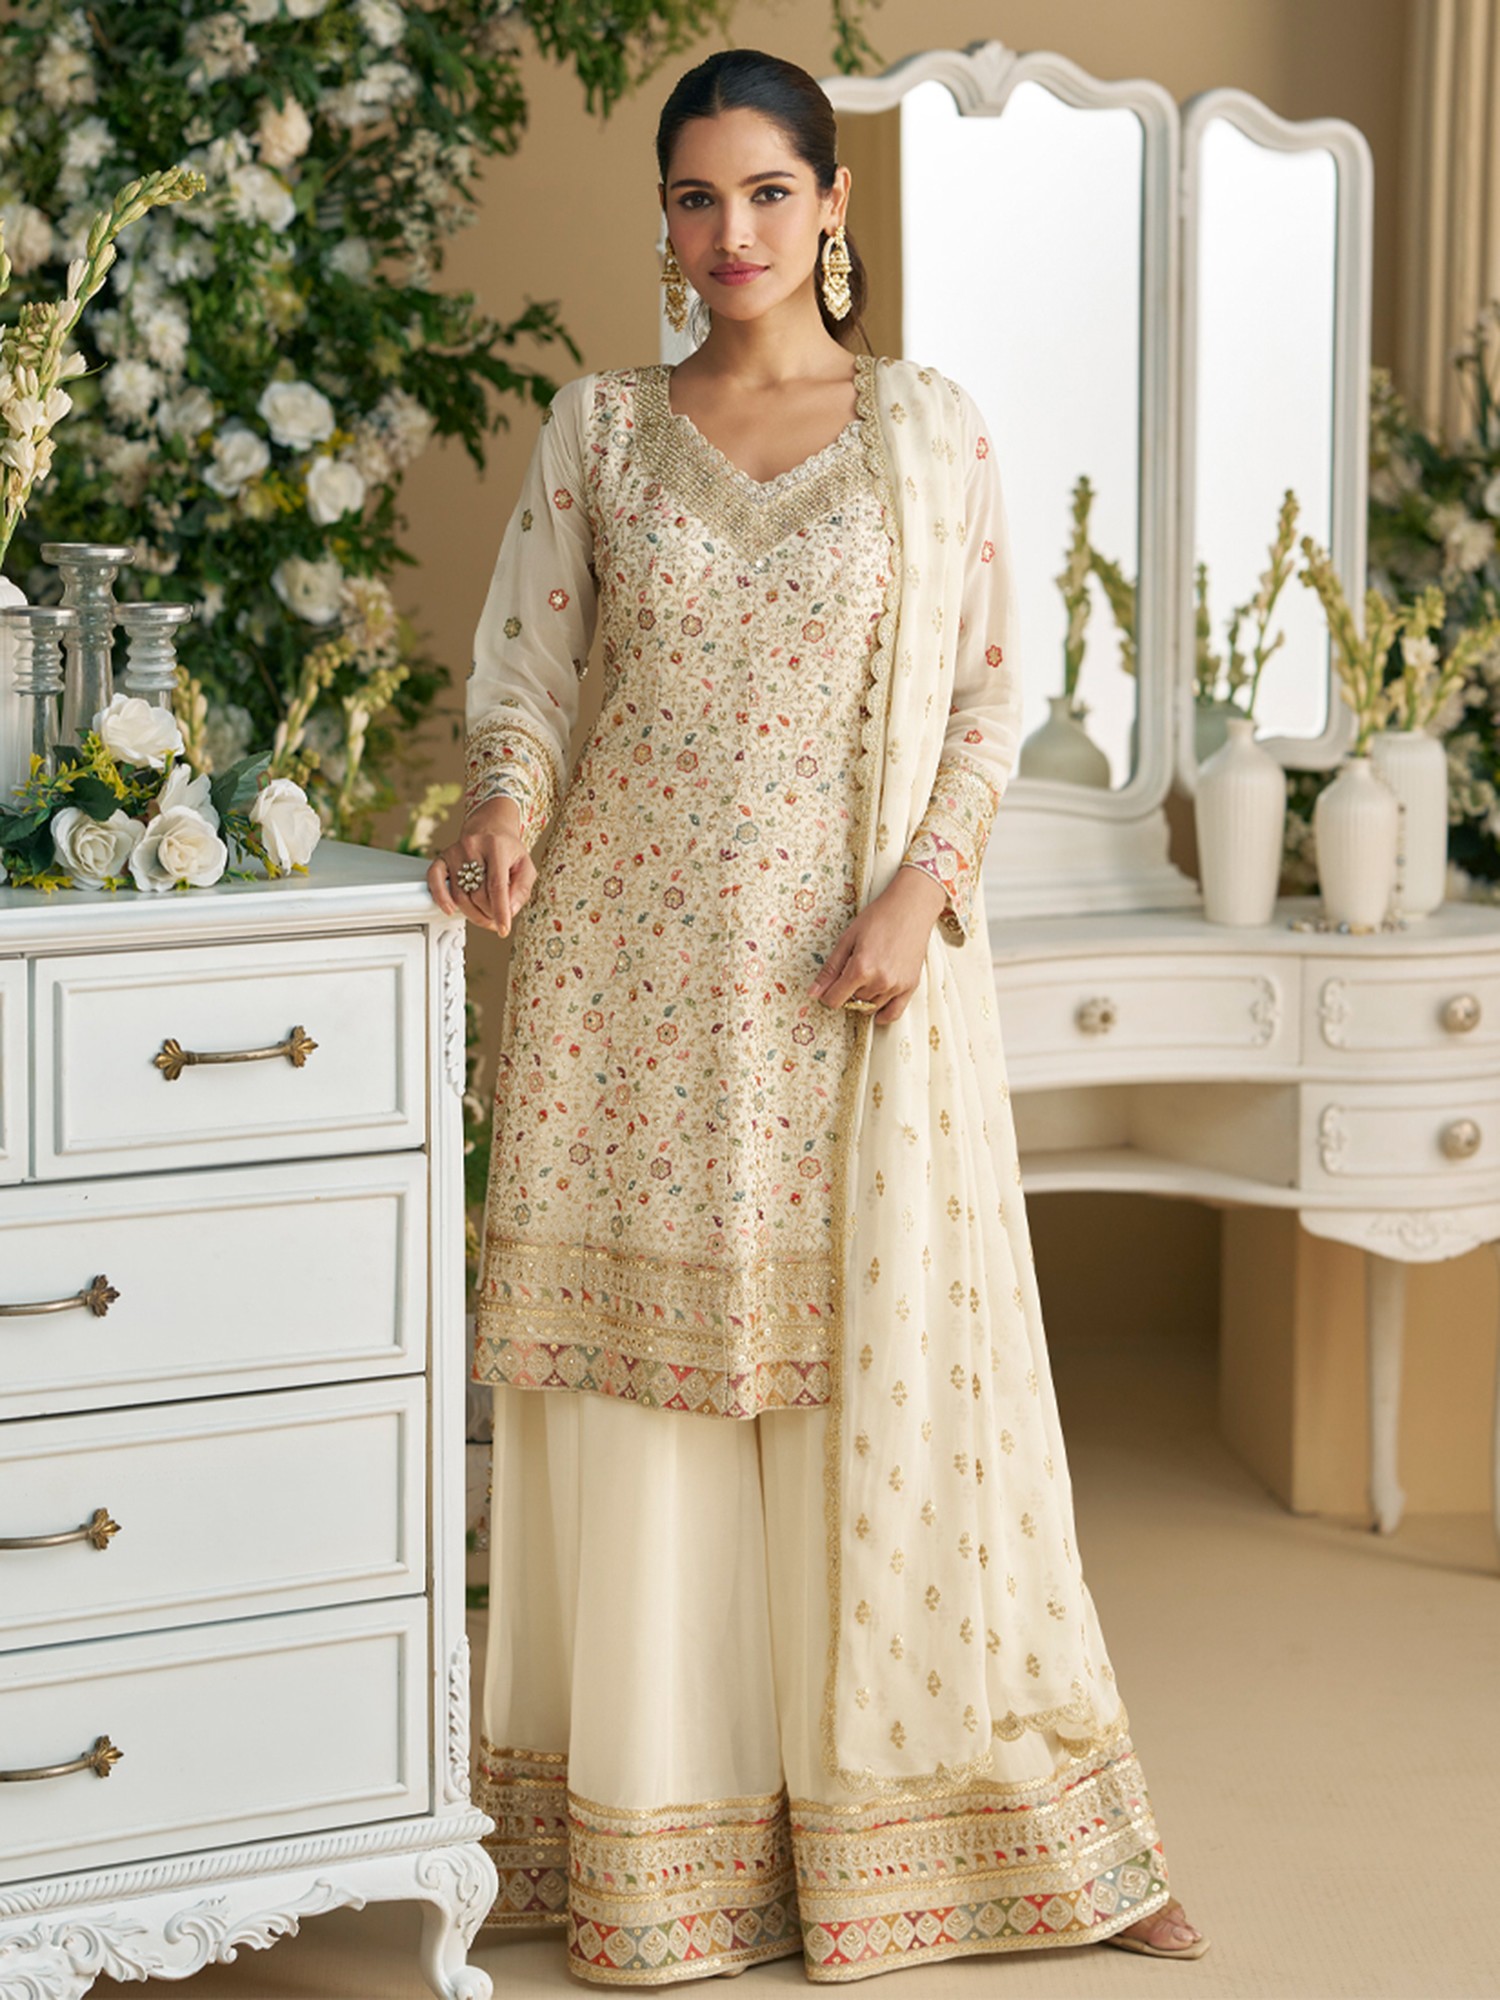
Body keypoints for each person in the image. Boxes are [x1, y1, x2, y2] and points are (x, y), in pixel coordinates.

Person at [428, 45, 1207, 1986]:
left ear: (834, 205)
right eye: (697, 198)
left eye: (769, 192)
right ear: (665, 218)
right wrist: (505, 804)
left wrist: (923, 887)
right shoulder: (603, 429)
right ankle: (657, 1856)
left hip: (851, 979)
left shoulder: (925, 432)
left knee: (891, 1392)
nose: (733, 233)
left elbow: (989, 694)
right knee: (652, 1419)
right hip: (627, 987)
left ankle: (978, 1834)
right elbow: (528, 671)